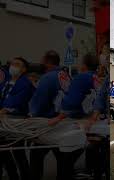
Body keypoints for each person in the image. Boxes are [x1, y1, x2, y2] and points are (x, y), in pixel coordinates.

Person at [48, 53, 100, 180]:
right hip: (93, 120)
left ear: (84, 65)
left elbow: (71, 102)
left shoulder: (81, 77)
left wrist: (58, 118)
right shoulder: (96, 77)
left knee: (66, 160)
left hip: (77, 121)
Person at [28, 50, 71, 180]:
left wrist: (32, 116)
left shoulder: (47, 77)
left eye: (42, 61)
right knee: (62, 157)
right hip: (64, 121)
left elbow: (39, 102)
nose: (40, 63)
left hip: (48, 122)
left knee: (36, 156)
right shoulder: (67, 76)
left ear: (47, 62)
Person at [0, 57, 34, 180]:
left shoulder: (25, 83)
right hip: (4, 120)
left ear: (24, 69)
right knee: (4, 152)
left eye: (17, 64)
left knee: (18, 153)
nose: (13, 65)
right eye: (12, 63)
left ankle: (26, 176)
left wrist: (3, 111)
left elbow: (16, 100)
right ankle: (13, 175)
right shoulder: (7, 81)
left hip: (17, 120)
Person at [85, 77, 109, 180]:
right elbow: (100, 99)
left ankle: (100, 172)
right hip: (101, 120)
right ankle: (95, 172)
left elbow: (101, 98)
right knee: (94, 147)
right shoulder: (106, 81)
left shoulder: (104, 81)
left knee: (102, 149)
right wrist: (94, 117)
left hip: (105, 121)